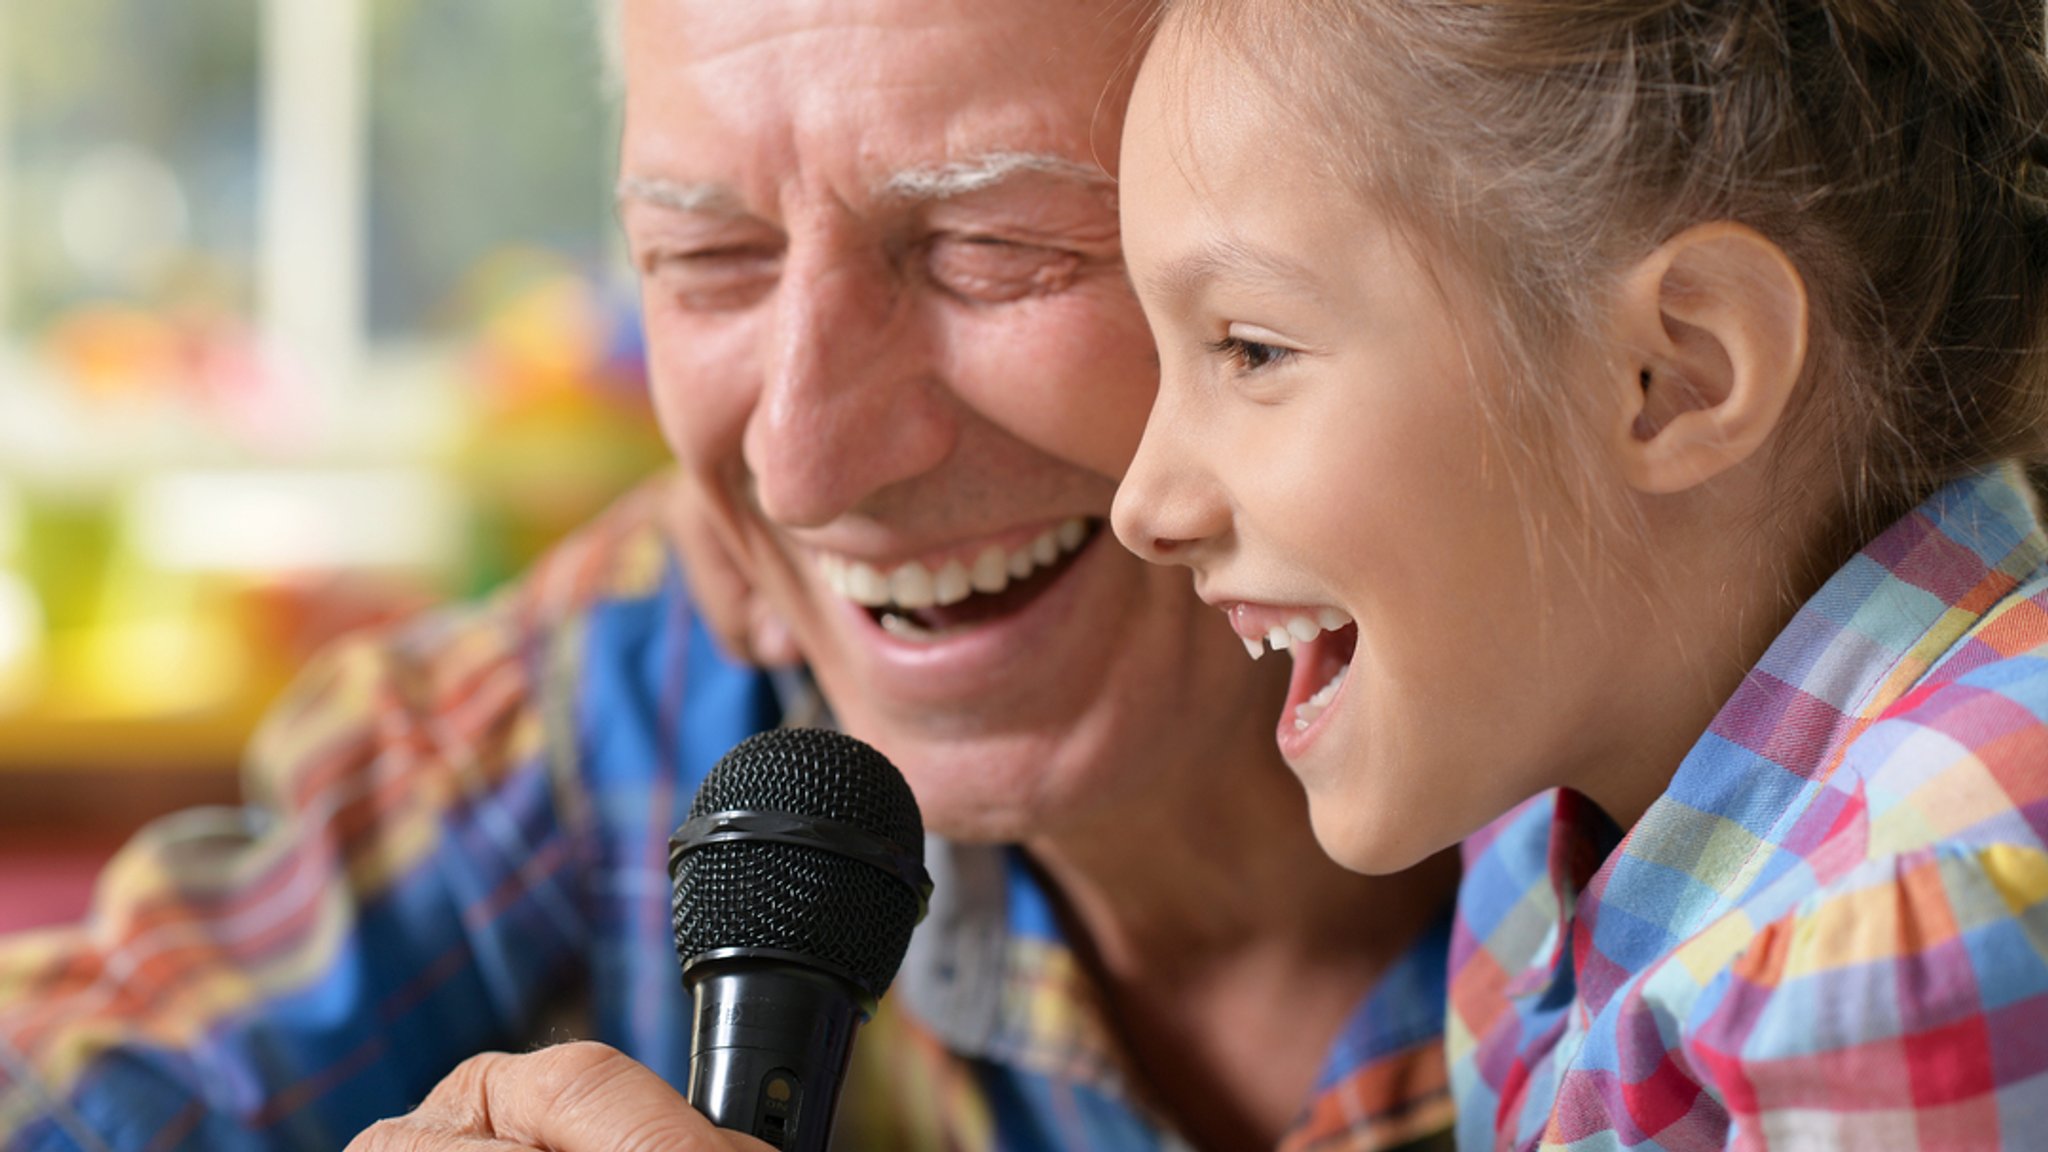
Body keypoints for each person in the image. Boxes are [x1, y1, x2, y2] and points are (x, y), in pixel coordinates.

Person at [0, 2, 1463, 1150]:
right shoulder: (649, 666)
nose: (805, 464)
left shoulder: (1645, 795)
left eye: (999, 247)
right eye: (708, 260)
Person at [1109, 0, 2048, 1147]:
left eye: (1251, 348)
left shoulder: (1917, 936)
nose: (1142, 506)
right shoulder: (1531, 863)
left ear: (1674, 376)